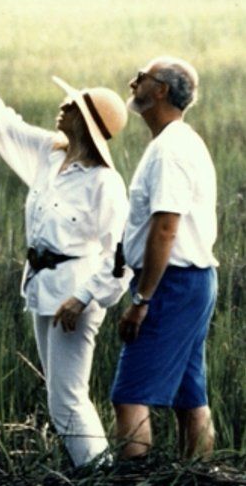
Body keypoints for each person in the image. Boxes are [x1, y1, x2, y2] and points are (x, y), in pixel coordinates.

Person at [0, 20, 128, 468]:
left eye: (73, 104)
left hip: (74, 296)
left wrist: (82, 298)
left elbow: (120, 257)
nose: (62, 106)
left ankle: (100, 481)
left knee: (67, 398)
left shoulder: (105, 183)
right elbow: (2, 120)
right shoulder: (49, 154)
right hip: (42, 287)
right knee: (58, 395)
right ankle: (93, 473)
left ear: (87, 122)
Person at [83, 57, 217, 460]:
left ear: (160, 90)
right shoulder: (177, 142)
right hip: (190, 281)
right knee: (189, 397)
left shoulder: (169, 151)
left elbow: (165, 228)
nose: (132, 81)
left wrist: (141, 301)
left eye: (142, 78)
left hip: (172, 283)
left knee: (129, 396)